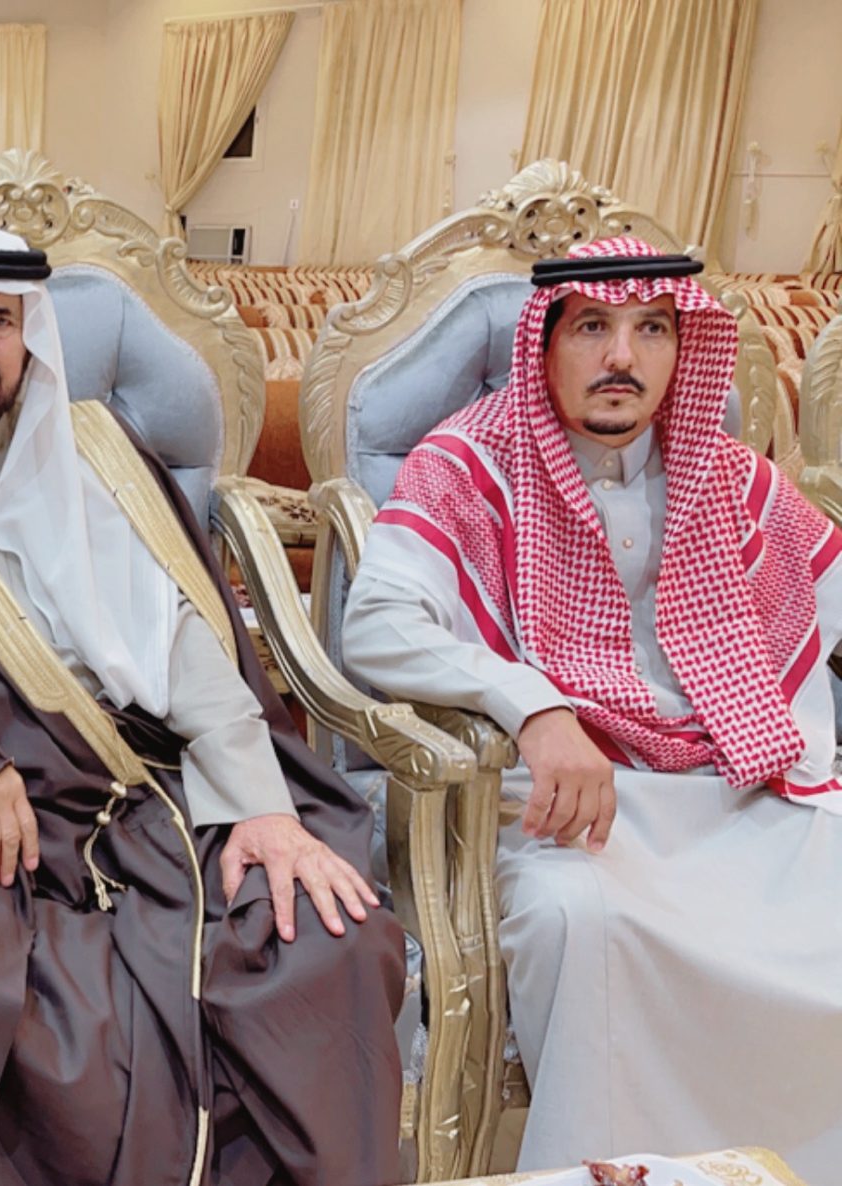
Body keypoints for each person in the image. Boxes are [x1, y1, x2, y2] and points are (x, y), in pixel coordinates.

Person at [0, 225, 406, 1186]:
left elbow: (185, 634)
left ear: (31, 338)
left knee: (321, 940)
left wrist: (262, 807)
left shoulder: (101, 452)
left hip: (148, 784)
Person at [343, 237, 842, 1174]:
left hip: (740, 790)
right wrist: (534, 706)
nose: (623, 357)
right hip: (567, 807)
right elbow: (375, 625)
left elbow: (830, 589)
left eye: (651, 329)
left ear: (682, 348)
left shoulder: (726, 472)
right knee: (576, 918)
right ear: (544, 344)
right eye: (593, 329)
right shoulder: (470, 463)